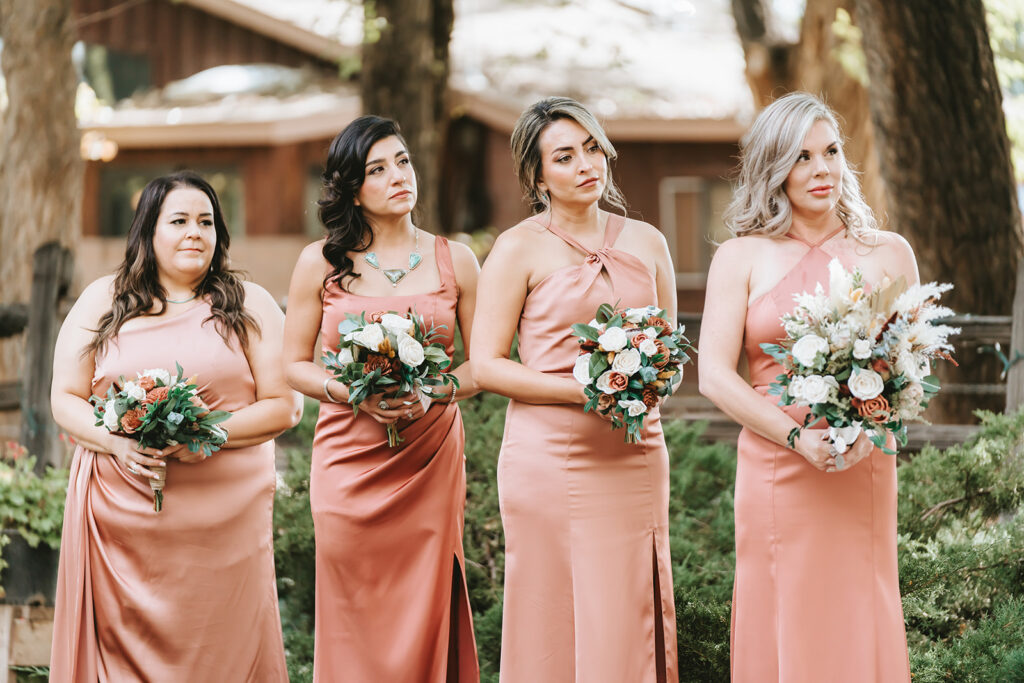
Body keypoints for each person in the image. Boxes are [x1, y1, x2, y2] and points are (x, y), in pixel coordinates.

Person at [49, 171, 301, 681]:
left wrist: (208, 433)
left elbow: (284, 406)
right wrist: (114, 443)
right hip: (121, 518)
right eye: (179, 220)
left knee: (222, 645)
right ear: (148, 231)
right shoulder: (103, 299)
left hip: (224, 521)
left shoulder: (249, 303)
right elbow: (65, 397)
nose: (195, 233)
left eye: (206, 222)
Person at [698, 92, 915, 682]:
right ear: (773, 167)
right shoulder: (740, 256)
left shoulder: (889, 253)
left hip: (862, 465)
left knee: (859, 609)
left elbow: (905, 367)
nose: (822, 169)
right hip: (776, 464)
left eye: (831, 152)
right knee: (783, 610)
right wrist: (796, 438)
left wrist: (871, 431)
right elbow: (714, 374)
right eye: (802, 157)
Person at [471, 96, 679, 683]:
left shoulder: (649, 241)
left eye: (592, 148)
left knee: (626, 612)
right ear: (538, 178)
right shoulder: (517, 247)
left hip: (635, 452)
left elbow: (669, 350)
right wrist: (585, 391)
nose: (586, 164)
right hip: (549, 458)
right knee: (552, 612)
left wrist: (650, 384)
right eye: (564, 156)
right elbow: (486, 365)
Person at [282, 115, 481, 681]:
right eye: (377, 169)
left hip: (429, 457)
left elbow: (484, 364)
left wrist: (433, 392)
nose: (399, 176)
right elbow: (292, 365)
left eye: (403, 161)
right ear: (351, 188)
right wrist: (352, 393)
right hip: (348, 461)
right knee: (354, 607)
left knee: (425, 599)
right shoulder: (321, 261)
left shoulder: (457, 259)